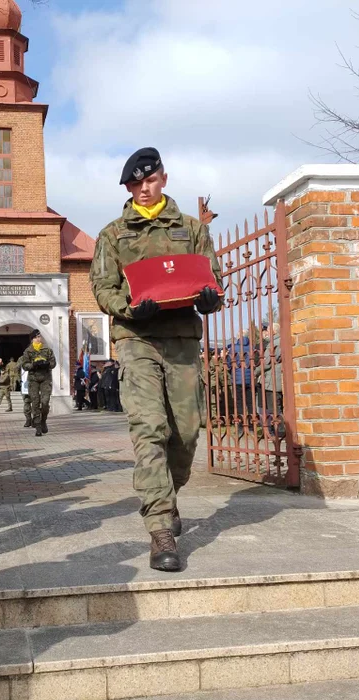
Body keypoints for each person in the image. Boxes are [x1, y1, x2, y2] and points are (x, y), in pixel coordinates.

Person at [90, 147, 222, 571]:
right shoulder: (113, 234)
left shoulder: (191, 229)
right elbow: (102, 287)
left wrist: (209, 298)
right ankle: (160, 528)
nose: (142, 190)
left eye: (148, 181)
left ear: (163, 178)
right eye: (134, 184)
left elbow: (213, 283)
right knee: (150, 429)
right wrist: (129, 309)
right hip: (137, 339)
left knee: (184, 433)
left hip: (182, 339)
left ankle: (170, 493)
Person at [21, 330, 57, 436]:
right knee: (35, 403)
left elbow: (53, 363)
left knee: (45, 402)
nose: (39, 338)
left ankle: (43, 420)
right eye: (36, 337)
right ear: (32, 339)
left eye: (39, 336)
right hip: (33, 379)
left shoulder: (47, 349)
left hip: (46, 378)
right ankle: (37, 426)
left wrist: (46, 364)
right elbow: (24, 365)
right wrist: (34, 365)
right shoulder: (28, 351)